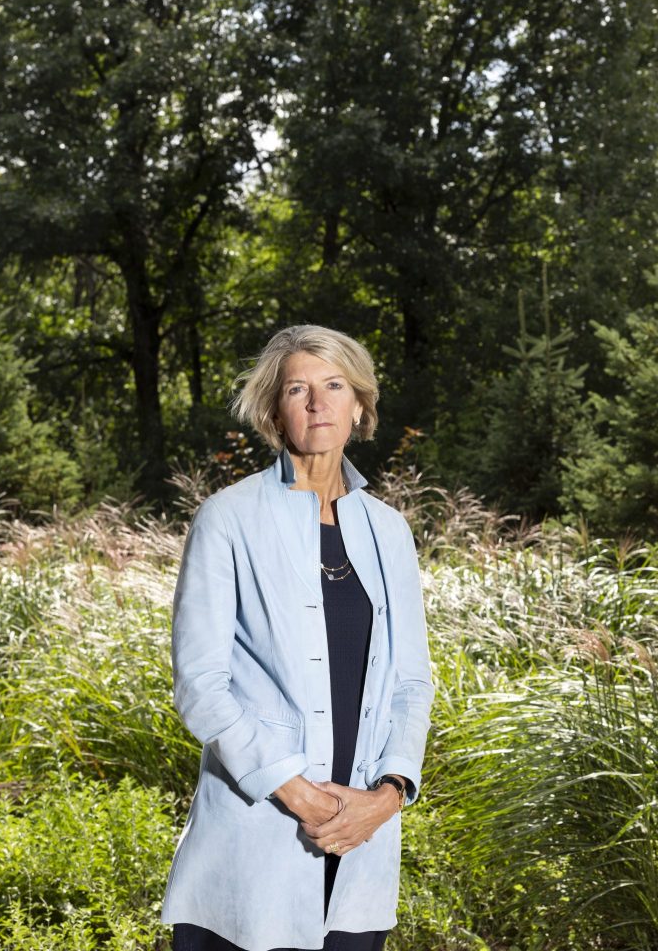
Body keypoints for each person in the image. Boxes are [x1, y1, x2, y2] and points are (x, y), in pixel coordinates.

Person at [161, 325, 435, 951]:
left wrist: (388, 797)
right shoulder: (228, 519)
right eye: (298, 389)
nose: (318, 402)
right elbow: (200, 686)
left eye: (335, 386)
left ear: (359, 405)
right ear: (274, 413)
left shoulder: (390, 531)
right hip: (259, 830)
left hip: (362, 833)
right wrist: (297, 792)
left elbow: (412, 682)